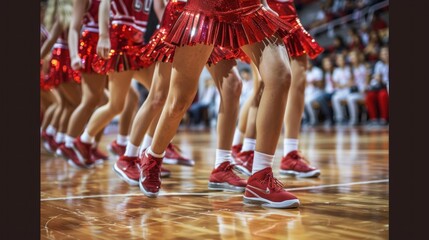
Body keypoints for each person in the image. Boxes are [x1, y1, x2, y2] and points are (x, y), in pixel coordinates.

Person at [137, 0, 300, 208]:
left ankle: (260, 176)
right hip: (204, 8)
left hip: (249, 6)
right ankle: (152, 156)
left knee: (280, 75)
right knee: (179, 100)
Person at [233, 0, 323, 179]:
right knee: (262, 84)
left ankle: (290, 153)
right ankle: (245, 150)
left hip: (288, 10)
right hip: (259, 8)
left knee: (298, 82)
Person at [68, 0, 155, 167]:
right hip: (111, 41)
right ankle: (71, 142)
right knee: (97, 101)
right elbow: (74, 27)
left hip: (135, 39)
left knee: (154, 95)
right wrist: (102, 36)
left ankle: (137, 148)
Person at [40, 0, 82, 154]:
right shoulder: (63, 17)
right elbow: (50, 41)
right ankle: (62, 140)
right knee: (75, 103)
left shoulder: (70, 15)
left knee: (66, 105)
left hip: (64, 59)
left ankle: (57, 137)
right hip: (62, 60)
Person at [365, 46, 389, 125]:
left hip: (387, 87)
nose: (385, 55)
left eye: (386, 53)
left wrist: (381, 79)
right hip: (379, 86)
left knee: (383, 95)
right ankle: (374, 119)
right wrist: (376, 78)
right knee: (370, 95)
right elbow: (376, 77)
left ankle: (384, 118)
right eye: (383, 54)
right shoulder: (378, 64)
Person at [347, 50, 368, 125]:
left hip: (364, 91)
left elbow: (367, 82)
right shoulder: (351, 69)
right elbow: (350, 83)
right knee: (350, 97)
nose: (351, 58)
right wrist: (351, 83)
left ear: (358, 57)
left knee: (351, 98)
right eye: (350, 56)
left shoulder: (364, 67)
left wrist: (363, 89)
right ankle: (354, 118)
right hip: (357, 92)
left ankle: (354, 119)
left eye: (353, 56)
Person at [331, 53, 352, 125]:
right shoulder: (336, 71)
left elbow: (351, 81)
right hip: (340, 91)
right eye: (338, 60)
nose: (340, 61)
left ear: (344, 61)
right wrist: (343, 85)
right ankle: (340, 118)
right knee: (335, 98)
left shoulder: (349, 69)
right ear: (337, 62)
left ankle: (351, 118)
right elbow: (336, 83)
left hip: (348, 90)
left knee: (350, 97)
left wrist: (342, 85)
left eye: (341, 60)